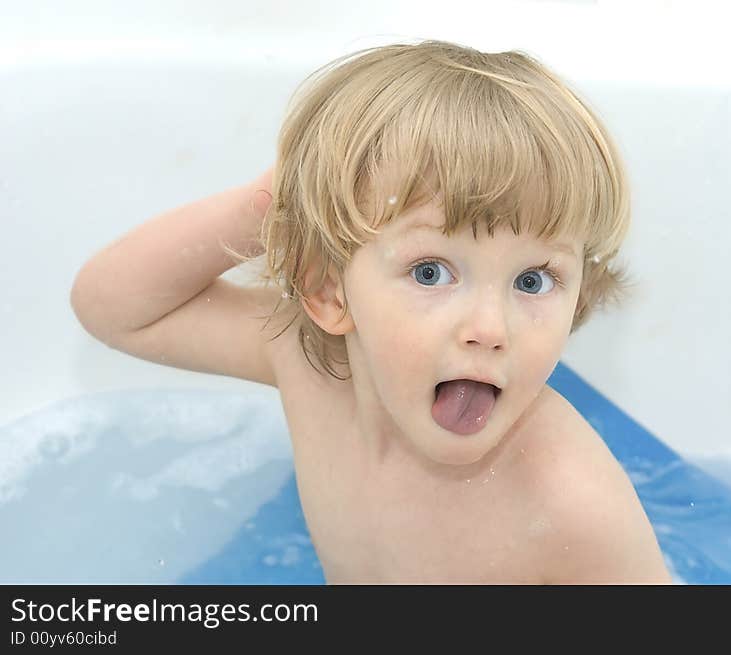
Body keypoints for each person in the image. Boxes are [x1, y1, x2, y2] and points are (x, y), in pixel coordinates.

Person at [70, 39, 671, 584]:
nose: (490, 329)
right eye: (431, 272)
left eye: (533, 280)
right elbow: (116, 310)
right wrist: (276, 204)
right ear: (330, 293)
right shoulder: (308, 363)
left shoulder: (570, 502)